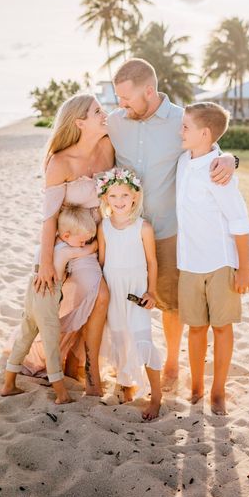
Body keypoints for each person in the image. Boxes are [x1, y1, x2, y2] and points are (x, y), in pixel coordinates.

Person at [108, 58, 237, 389]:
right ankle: (128, 361)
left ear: (149, 91)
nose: (120, 105)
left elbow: (212, 149)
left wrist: (230, 159)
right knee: (124, 297)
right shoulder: (116, 121)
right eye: (118, 98)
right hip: (125, 230)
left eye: (126, 98)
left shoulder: (182, 120)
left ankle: (170, 361)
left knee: (169, 301)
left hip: (168, 231)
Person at [26, 94, 114, 395]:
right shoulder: (60, 162)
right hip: (64, 244)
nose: (105, 114)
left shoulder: (107, 147)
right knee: (60, 302)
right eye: (98, 111)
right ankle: (65, 362)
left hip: (93, 241)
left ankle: (87, 366)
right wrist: (48, 263)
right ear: (79, 123)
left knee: (100, 296)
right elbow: (49, 218)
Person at [177, 102, 249, 415]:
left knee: (221, 328)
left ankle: (218, 391)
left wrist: (244, 269)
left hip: (221, 264)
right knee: (195, 328)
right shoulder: (183, 161)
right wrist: (227, 154)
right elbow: (213, 145)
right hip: (189, 264)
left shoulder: (218, 173)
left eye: (185, 127)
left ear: (204, 133)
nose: (180, 131)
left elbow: (239, 220)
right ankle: (196, 385)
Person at [1, 205, 98, 404]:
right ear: (67, 234)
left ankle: (8, 384)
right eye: (81, 240)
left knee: (24, 339)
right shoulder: (66, 251)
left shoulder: (48, 246)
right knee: (52, 347)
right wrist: (96, 241)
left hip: (31, 297)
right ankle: (61, 394)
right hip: (46, 302)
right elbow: (92, 249)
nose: (82, 244)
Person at [97, 167, 163, 420]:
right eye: (113, 197)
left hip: (136, 291)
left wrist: (151, 291)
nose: (119, 201)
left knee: (142, 338)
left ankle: (156, 396)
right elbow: (102, 261)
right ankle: (126, 385)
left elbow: (152, 262)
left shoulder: (143, 227)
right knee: (120, 339)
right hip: (113, 289)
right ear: (105, 199)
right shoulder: (104, 226)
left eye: (124, 195)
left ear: (134, 196)